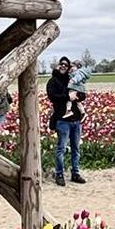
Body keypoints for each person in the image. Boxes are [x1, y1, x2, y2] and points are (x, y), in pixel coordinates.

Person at [45, 58, 83, 186]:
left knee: (76, 148)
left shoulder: (72, 79)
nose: (63, 66)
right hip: (62, 120)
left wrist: (78, 95)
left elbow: (83, 95)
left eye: (66, 65)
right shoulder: (52, 81)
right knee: (61, 149)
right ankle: (59, 174)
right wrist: (68, 97)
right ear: (58, 66)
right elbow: (52, 97)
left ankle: (75, 173)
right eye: (61, 64)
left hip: (76, 120)